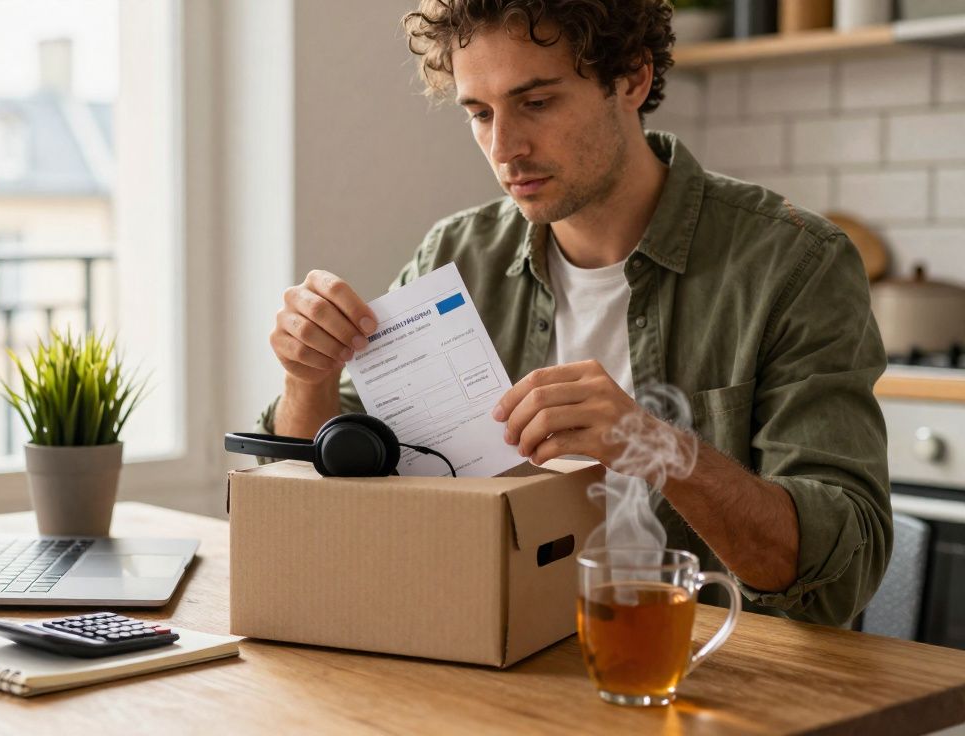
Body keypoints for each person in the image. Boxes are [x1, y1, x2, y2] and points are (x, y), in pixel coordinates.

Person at [255, 0, 891, 628]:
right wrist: (306, 378)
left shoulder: (795, 262)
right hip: (486, 658)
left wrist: (655, 446)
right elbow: (321, 505)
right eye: (480, 113)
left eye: (536, 103)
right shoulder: (455, 255)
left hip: (703, 673)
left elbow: (841, 575)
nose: (504, 148)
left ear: (632, 78)